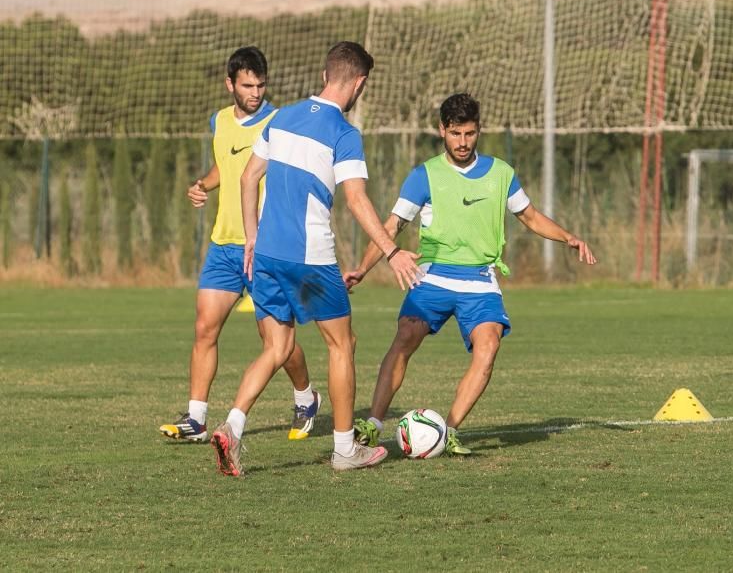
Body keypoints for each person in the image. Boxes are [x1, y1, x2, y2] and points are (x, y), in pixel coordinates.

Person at [209, 41, 421, 477]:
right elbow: (358, 201)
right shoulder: (344, 134)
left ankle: (231, 427)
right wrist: (393, 250)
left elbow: (249, 177)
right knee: (342, 343)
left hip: (265, 252)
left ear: (326, 75)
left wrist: (252, 237)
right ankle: (345, 451)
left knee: (278, 346)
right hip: (309, 258)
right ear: (359, 83)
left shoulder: (280, 115)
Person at [344, 92, 597, 455]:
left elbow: (530, 216)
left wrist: (568, 237)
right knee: (405, 337)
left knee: (489, 346)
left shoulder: (500, 174)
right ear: (442, 130)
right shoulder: (424, 176)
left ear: (479, 132)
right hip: (432, 277)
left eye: (470, 133)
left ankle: (447, 432)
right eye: (455, 133)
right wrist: (362, 270)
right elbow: (392, 226)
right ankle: (373, 424)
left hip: (480, 280)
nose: (463, 142)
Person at [160, 47, 321, 444]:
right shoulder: (219, 120)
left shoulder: (279, 123)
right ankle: (196, 418)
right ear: (229, 83)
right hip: (223, 246)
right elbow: (225, 165)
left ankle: (306, 398)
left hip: (265, 250)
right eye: (248, 85)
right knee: (204, 328)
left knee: (276, 342)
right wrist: (202, 185)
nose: (255, 92)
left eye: (261, 85)